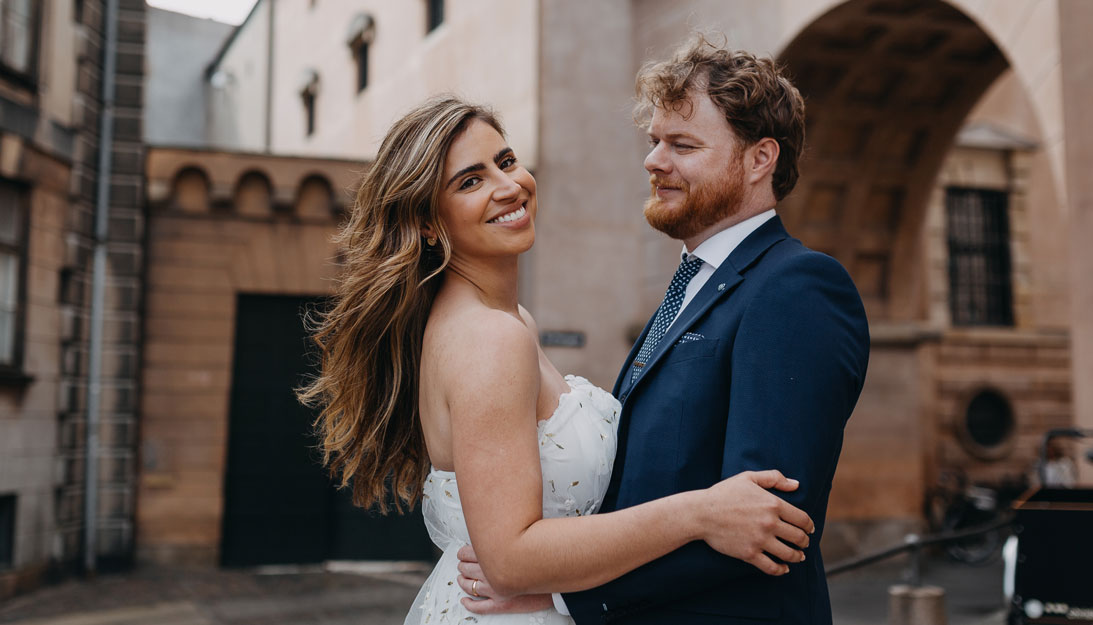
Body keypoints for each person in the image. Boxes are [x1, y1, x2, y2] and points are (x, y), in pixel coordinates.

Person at [298, 94, 818, 625]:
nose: (508, 187)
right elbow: (510, 560)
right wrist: (699, 512)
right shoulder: (490, 338)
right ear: (429, 224)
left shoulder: (510, 321)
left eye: (505, 162)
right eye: (469, 181)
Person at [458, 36, 870, 625]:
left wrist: (561, 596)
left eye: (682, 145)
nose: (654, 161)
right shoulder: (693, 284)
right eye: (654, 142)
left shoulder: (797, 288)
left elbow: (767, 521)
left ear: (760, 159)